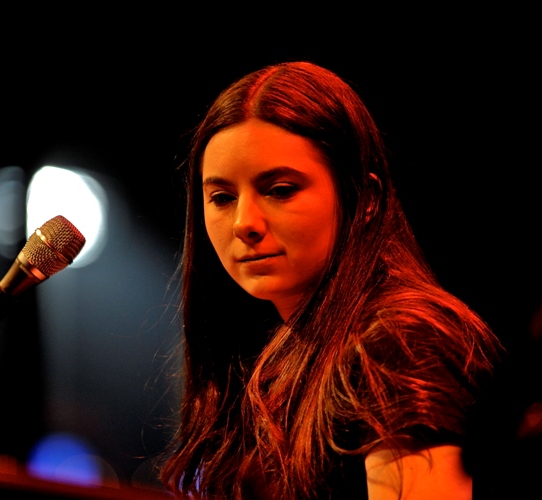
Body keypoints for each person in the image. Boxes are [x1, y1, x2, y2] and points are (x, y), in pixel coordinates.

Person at [158, 61, 505, 499]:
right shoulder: (267, 358)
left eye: (280, 189)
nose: (245, 222)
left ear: (366, 198)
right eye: (222, 198)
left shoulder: (401, 340)